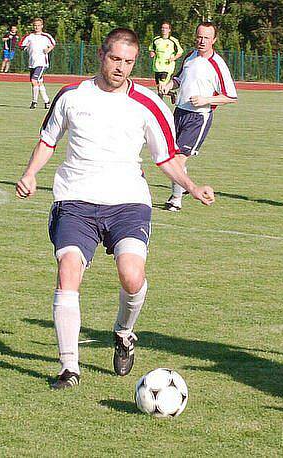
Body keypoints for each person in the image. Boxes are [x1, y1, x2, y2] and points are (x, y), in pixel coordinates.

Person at [15, 28, 216, 390]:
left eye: (128, 62)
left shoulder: (150, 103)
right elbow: (48, 141)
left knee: (132, 276)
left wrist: (191, 186)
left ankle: (124, 332)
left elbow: (166, 157)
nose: (121, 68)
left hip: (128, 202)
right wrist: (30, 174)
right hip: (75, 199)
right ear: (101, 55)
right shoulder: (71, 96)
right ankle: (69, 368)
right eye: (115, 59)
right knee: (68, 270)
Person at [159, 22, 237, 212]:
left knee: (177, 160)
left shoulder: (217, 64)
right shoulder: (189, 56)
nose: (202, 41)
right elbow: (179, 78)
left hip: (198, 118)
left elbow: (231, 96)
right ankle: (182, 188)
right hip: (179, 113)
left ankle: (175, 199)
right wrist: (169, 85)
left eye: (206, 38)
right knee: (170, 157)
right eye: (199, 37)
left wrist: (205, 99)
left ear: (214, 40)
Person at [18, 18, 55, 109]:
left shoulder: (46, 36)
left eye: (38, 25)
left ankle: (34, 102)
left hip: (41, 63)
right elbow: (21, 46)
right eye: (35, 25)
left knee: (34, 81)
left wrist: (48, 50)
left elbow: (53, 44)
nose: (36, 27)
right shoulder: (29, 36)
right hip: (32, 62)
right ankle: (47, 102)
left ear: (42, 26)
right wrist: (24, 47)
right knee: (39, 82)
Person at [148, 21, 183, 103]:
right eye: (163, 28)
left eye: (166, 28)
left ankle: (159, 105)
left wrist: (173, 58)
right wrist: (152, 53)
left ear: (169, 30)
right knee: (160, 88)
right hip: (157, 67)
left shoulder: (173, 41)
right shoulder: (156, 40)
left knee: (161, 87)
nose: (164, 30)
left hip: (167, 68)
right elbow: (151, 49)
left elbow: (180, 52)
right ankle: (172, 94)